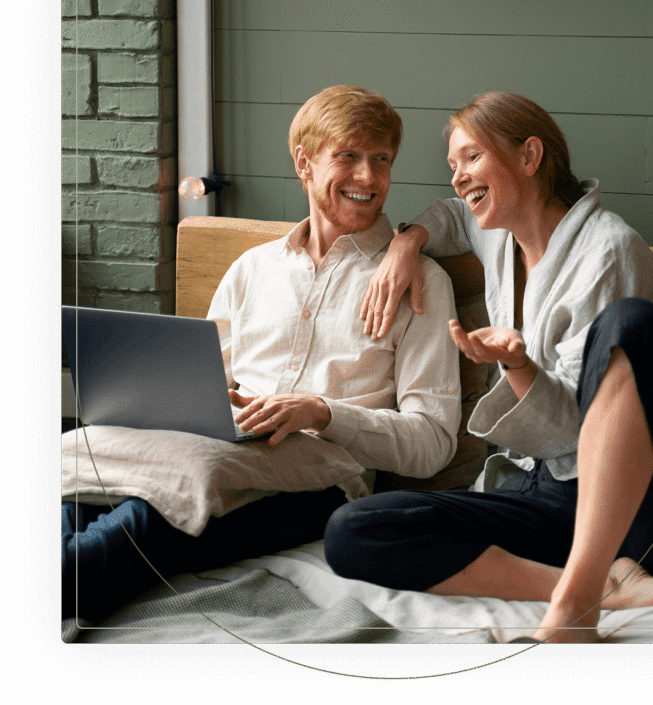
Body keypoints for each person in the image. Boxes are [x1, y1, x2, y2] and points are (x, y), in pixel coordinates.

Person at [323, 91, 653, 644]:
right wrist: (406, 243)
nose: (458, 178)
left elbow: (576, 431)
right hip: (558, 495)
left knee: (631, 322)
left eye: (472, 157)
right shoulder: (498, 234)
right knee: (356, 529)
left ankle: (576, 607)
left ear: (530, 155)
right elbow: (452, 217)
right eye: (453, 165)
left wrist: (517, 366)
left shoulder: (608, 250)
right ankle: (614, 589)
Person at [62, 86, 461, 622]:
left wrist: (321, 411)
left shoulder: (419, 283)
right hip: (215, 454)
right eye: (348, 156)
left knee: (134, 528)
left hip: (317, 487)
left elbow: (433, 443)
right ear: (304, 163)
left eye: (381, 160)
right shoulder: (252, 269)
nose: (368, 177)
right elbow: (202, 383)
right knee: (79, 490)